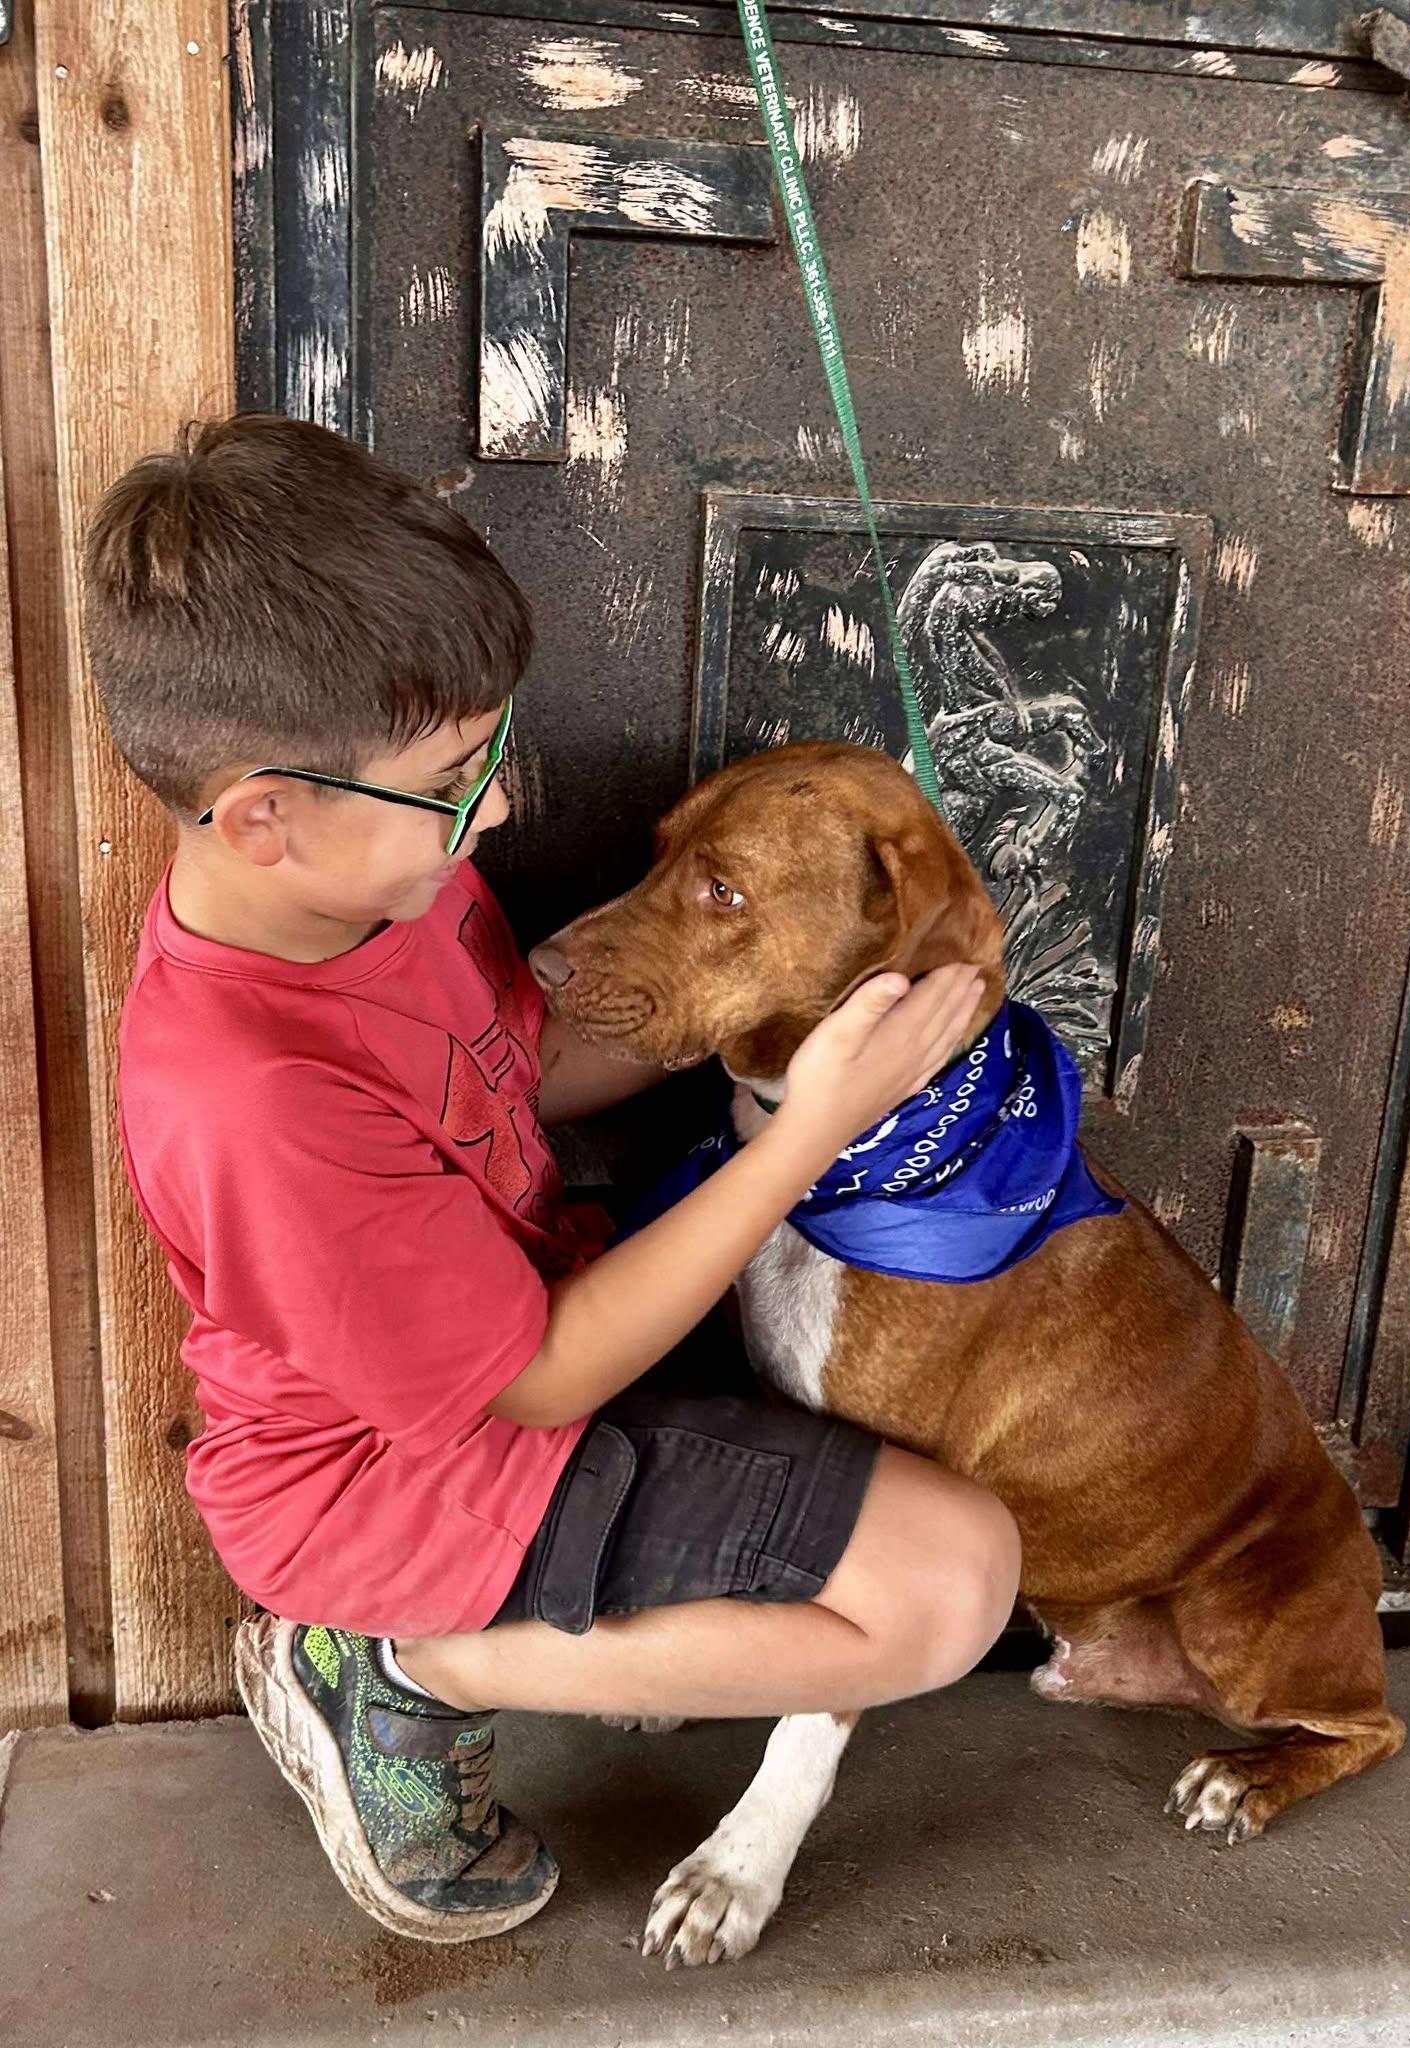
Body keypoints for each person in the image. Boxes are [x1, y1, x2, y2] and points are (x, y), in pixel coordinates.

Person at [91, 414, 1021, 1947]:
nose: (500, 815)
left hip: (524, 1340)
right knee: (945, 1600)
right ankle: (396, 1665)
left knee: (936, 1546)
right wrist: (806, 1126)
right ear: (264, 814)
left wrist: (777, 1013)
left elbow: (521, 1061)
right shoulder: (246, 1093)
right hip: (381, 1488)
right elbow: (528, 1378)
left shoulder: (378, 880)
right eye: (458, 781)